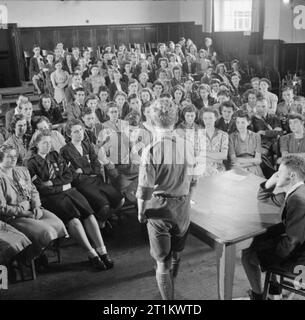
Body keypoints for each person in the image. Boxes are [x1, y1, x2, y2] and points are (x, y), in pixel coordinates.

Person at [136, 98, 196, 300]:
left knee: (162, 261)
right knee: (176, 254)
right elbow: (194, 179)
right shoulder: (187, 145)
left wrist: (141, 211)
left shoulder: (151, 150)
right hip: (183, 208)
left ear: (152, 122)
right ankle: (171, 285)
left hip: (160, 210)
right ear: (176, 119)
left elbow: (144, 190)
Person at [27, 133, 113, 270]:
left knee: (89, 214)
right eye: (44, 143)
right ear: (36, 145)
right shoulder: (31, 163)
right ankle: (92, 254)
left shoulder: (55, 155)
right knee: (74, 220)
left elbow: (69, 175)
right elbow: (41, 188)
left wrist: (55, 184)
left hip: (69, 192)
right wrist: (62, 186)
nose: (48, 145)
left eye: (49, 142)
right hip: (51, 198)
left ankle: (102, 251)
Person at [241, 155, 305, 300]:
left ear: (292, 175)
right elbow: (264, 198)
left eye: (279, 172)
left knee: (247, 255)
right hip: (298, 247)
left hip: (300, 258)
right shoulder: (295, 192)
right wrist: (270, 182)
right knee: (260, 241)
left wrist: (269, 259)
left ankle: (258, 296)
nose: (275, 175)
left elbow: (292, 242)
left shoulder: (298, 200)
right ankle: (275, 290)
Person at [0, 144, 68, 258]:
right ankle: (30, 257)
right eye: (9, 156)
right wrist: (24, 212)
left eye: (15, 156)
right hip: (14, 217)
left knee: (58, 224)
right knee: (46, 231)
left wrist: (37, 206)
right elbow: (2, 208)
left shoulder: (21, 171)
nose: (13, 159)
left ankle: (39, 253)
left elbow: (33, 191)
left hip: (32, 209)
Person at [60, 119, 124, 226]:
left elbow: (97, 165)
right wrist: (88, 172)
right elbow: (70, 173)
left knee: (120, 200)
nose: (80, 133)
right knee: (104, 206)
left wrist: (84, 170)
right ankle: (100, 224)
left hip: (96, 180)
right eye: (75, 131)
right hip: (82, 184)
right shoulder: (65, 150)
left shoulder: (87, 145)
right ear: (69, 134)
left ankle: (101, 221)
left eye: (81, 130)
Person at [229, 110, 263, 176]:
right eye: (238, 122)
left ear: (248, 122)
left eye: (243, 122)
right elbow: (233, 159)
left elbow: (258, 160)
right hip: (237, 167)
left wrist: (246, 164)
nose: (240, 125)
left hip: (253, 167)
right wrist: (253, 161)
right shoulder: (232, 137)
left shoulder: (256, 136)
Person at [200, 108, 229, 176]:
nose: (208, 121)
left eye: (210, 118)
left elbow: (223, 156)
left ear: (215, 118)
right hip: (201, 171)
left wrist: (204, 154)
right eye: (205, 118)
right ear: (202, 119)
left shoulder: (223, 135)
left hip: (218, 170)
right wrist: (216, 157)